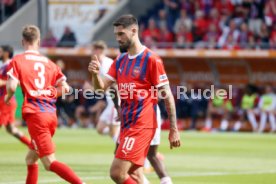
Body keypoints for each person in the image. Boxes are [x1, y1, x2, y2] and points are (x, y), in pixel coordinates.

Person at [88, 14, 181, 184]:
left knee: (117, 172)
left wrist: (173, 128)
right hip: (126, 124)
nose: (118, 38)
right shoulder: (121, 60)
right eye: (116, 35)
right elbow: (100, 87)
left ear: (134, 31)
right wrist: (95, 75)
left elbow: (167, 95)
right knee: (133, 174)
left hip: (142, 125)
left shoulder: (151, 59)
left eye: (121, 34)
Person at [5, 25, 85, 184]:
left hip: (37, 116)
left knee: (49, 163)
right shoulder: (49, 63)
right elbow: (66, 88)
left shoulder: (18, 60)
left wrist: (8, 97)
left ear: (23, 41)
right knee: (30, 159)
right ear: (39, 41)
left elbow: (12, 87)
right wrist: (48, 93)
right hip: (50, 114)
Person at [0, 45, 31, 147]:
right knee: (11, 129)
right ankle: (33, 146)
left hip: (6, 101)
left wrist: (4, 82)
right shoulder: (3, 66)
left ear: (6, 53)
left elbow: (19, 81)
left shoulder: (10, 65)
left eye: (0, 51)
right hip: (3, 101)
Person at [92, 40, 120, 142]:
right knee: (100, 129)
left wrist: (91, 88)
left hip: (115, 100)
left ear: (98, 51)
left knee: (113, 131)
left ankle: (123, 150)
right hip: (110, 101)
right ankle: (120, 135)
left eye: (93, 51)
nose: (92, 53)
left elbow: (112, 83)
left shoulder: (107, 64)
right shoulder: (101, 64)